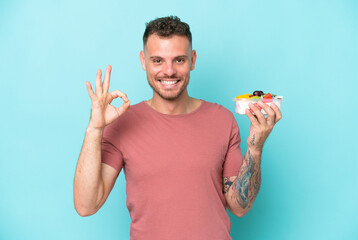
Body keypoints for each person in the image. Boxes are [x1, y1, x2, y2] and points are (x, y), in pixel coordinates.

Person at [73, 16, 282, 240]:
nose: (169, 71)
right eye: (158, 61)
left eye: (179, 60)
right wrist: (95, 129)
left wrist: (256, 147)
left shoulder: (222, 120)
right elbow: (86, 205)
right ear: (143, 61)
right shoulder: (123, 122)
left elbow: (239, 206)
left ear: (192, 60)